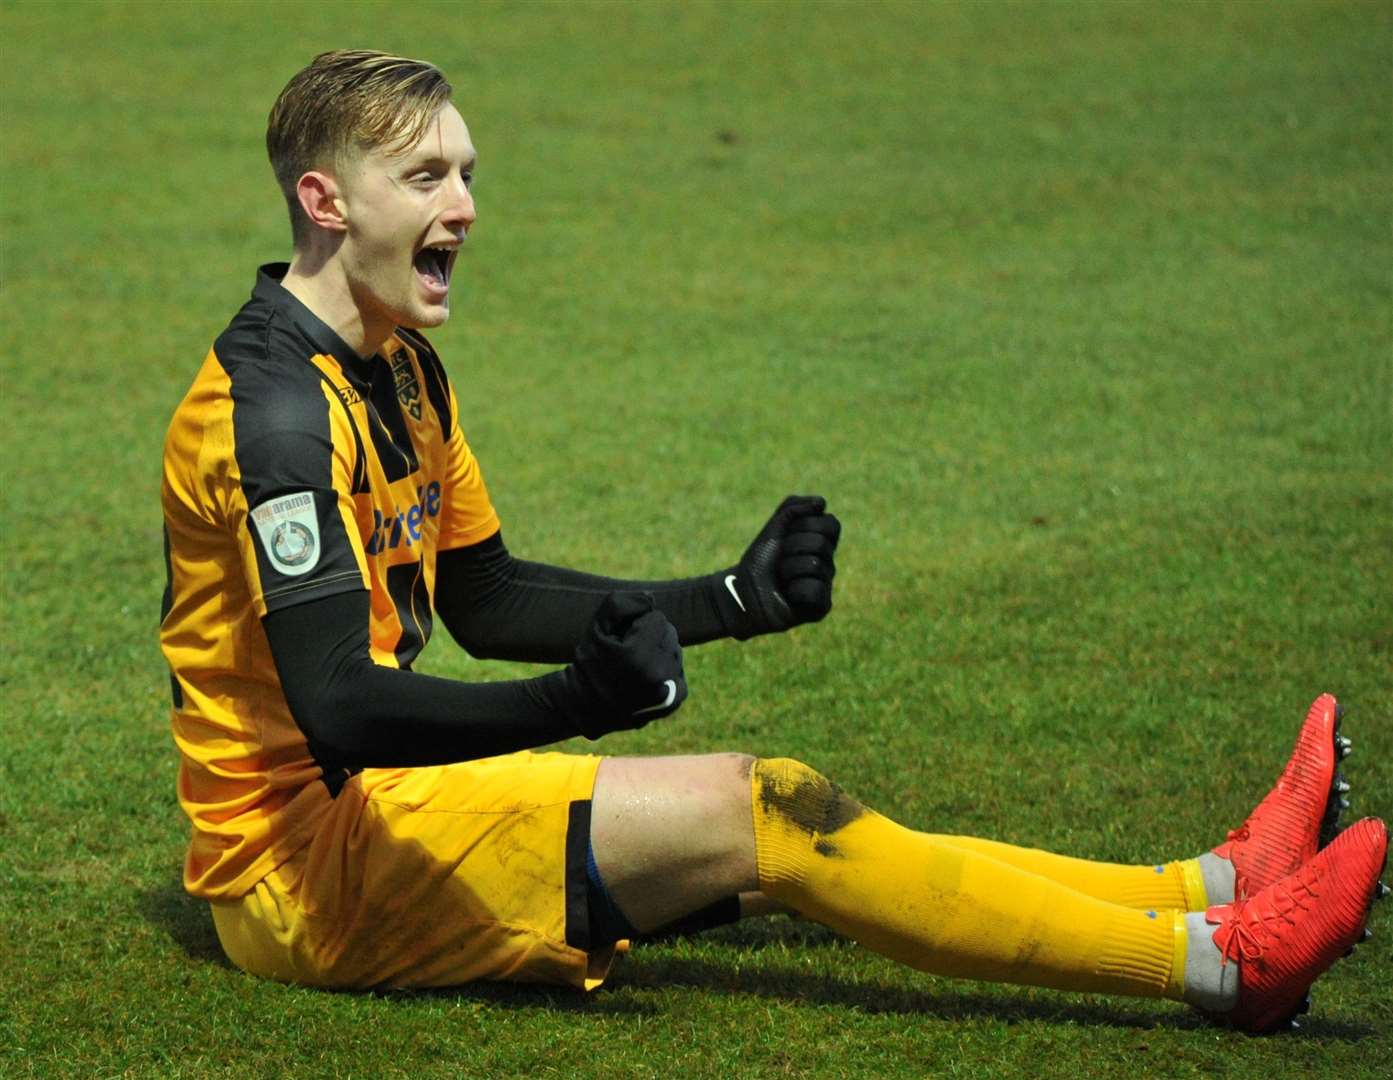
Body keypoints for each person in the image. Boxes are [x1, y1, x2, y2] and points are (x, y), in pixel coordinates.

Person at [159, 50, 1386, 1033]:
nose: (467, 208)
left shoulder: (401, 368)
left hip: (386, 805)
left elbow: (481, 593)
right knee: (773, 812)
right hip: (302, 872)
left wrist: (729, 598)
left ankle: (1211, 892)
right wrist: (575, 701)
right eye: (427, 178)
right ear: (324, 200)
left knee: (778, 826)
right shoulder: (271, 416)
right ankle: (1223, 969)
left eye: (468, 173)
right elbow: (336, 707)